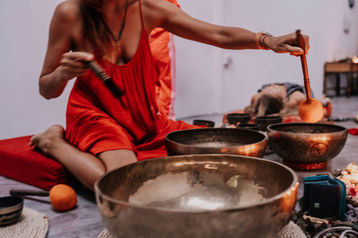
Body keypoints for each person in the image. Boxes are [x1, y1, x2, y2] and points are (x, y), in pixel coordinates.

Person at [30, 0, 309, 190]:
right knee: (121, 183)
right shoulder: (70, 14)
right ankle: (54, 142)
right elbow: (46, 89)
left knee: (222, 158)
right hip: (95, 113)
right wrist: (62, 74)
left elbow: (219, 34)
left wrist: (267, 41)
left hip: (144, 116)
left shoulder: (147, 8)